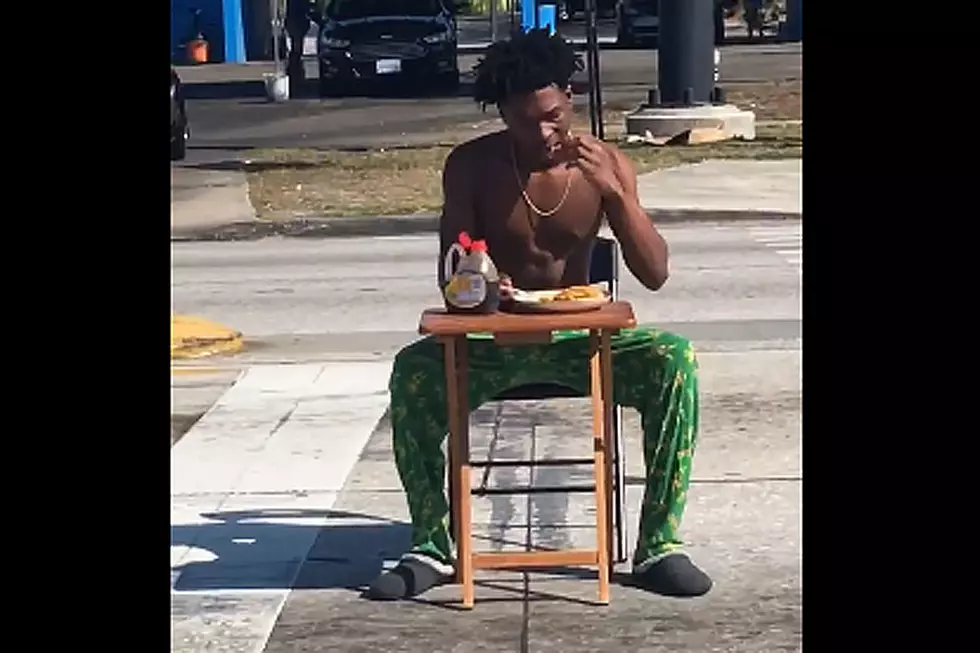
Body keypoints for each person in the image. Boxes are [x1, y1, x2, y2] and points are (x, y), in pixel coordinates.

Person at [367, 29, 712, 602]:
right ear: (503, 115)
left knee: (675, 359)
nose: (543, 133)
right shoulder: (472, 167)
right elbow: (451, 279)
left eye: (552, 116)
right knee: (414, 370)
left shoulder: (607, 164)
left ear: (571, 99)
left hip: (581, 341)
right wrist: (478, 284)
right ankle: (432, 544)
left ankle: (659, 545)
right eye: (525, 121)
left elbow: (655, 273)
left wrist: (617, 197)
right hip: (492, 341)